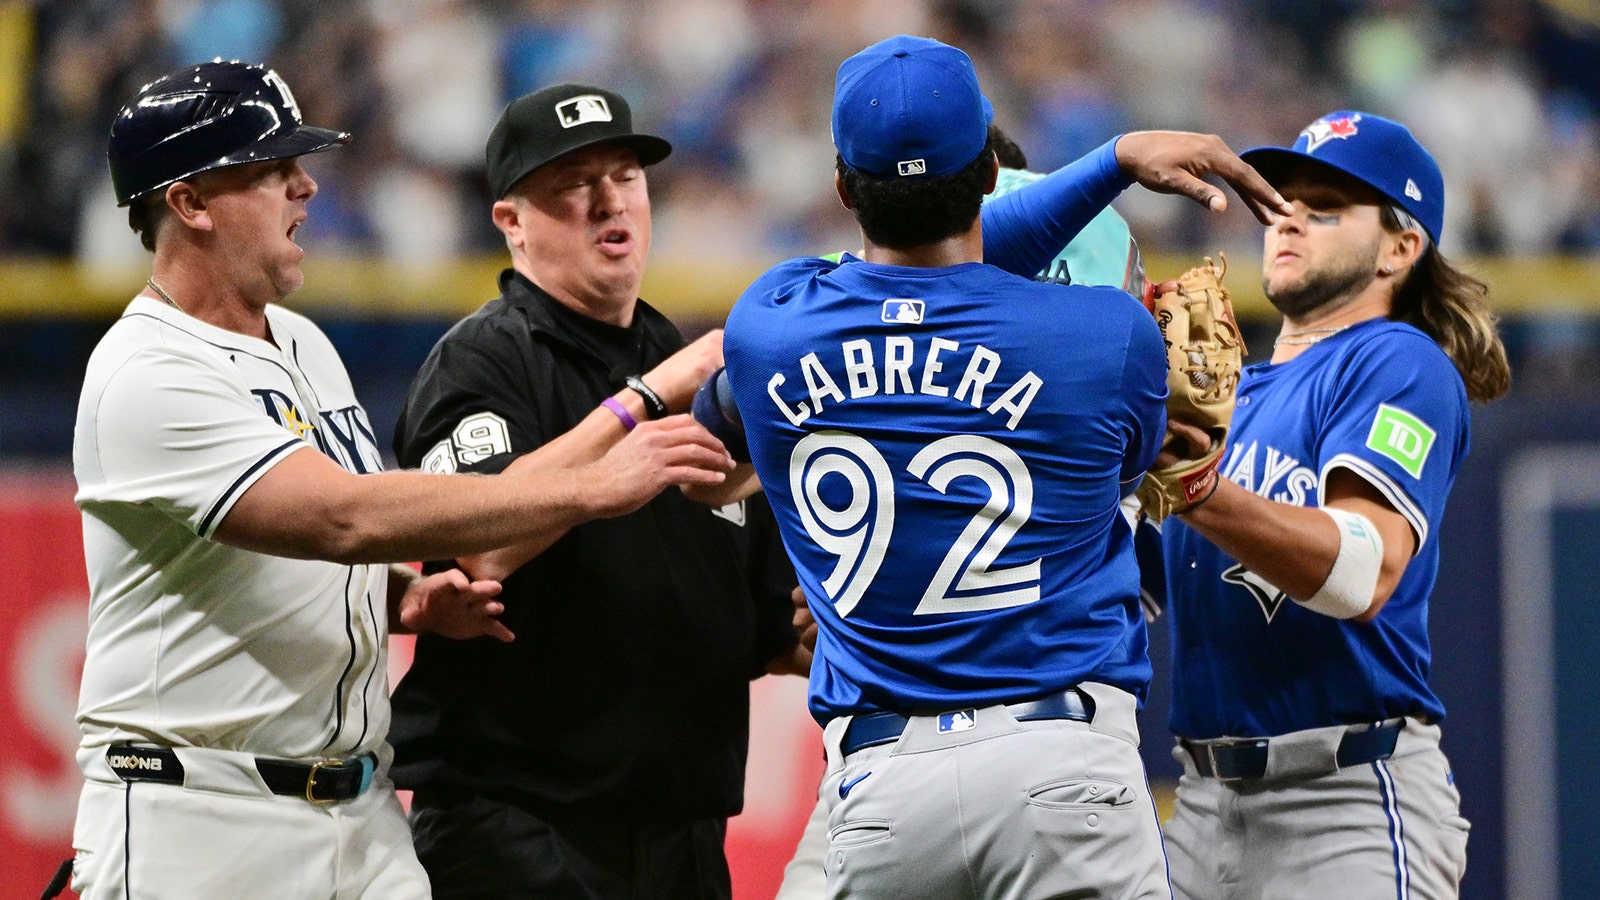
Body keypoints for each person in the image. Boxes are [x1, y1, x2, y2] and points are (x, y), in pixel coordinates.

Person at [66, 61, 734, 900]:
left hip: (356, 809)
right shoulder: (146, 371)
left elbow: (314, 552)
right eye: (274, 170)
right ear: (190, 204)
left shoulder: (303, 344)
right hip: (200, 813)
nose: (306, 186)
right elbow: (341, 516)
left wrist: (399, 600)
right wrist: (598, 481)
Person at [720, 34, 1176, 898]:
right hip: (1061, 758)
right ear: (990, 176)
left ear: (844, 188)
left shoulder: (768, 326)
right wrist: (1111, 164)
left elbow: (885, 280)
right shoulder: (1104, 336)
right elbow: (1134, 473)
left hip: (885, 789)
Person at [385, 83, 807, 899]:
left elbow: (769, 629)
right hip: (517, 834)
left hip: (682, 841)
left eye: (626, 175)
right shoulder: (481, 363)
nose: (610, 198)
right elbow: (479, 544)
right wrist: (641, 403)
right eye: (574, 180)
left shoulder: (702, 375)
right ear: (510, 219)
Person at [1155, 111, 1511, 898]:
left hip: (1344, 800)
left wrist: (1191, 482)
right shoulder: (1227, 395)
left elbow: (1359, 573)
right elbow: (1131, 586)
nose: (1289, 219)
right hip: (1201, 802)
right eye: (1282, 202)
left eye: (1325, 208)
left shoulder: (1397, 362)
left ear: (1400, 247)